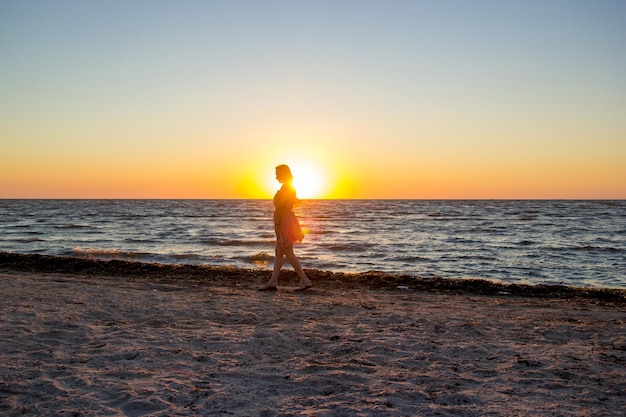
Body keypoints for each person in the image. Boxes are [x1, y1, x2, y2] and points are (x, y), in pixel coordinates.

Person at [259, 164, 312, 292]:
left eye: (277, 174)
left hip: (283, 220)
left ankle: (304, 280)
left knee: (288, 252)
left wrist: (277, 224)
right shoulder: (288, 187)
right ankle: (273, 281)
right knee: (279, 253)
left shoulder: (287, 188)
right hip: (285, 219)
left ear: (283, 174)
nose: (276, 177)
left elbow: (282, 208)